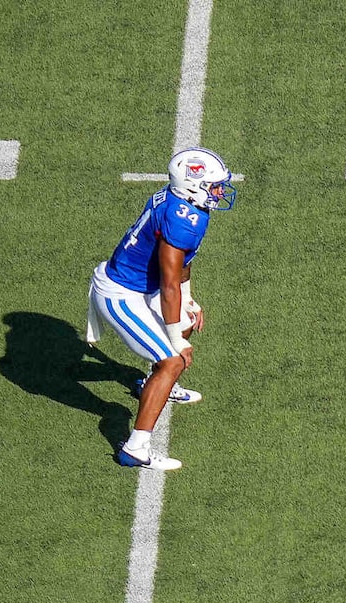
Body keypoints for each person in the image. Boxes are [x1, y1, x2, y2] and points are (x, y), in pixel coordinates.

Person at [87, 147, 235, 471]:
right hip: (121, 293)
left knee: (183, 318)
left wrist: (189, 299)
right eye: (214, 185)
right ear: (193, 186)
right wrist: (176, 340)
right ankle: (135, 449)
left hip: (144, 287)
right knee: (172, 360)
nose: (220, 191)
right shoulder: (181, 218)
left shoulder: (184, 205)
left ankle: (157, 385)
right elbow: (169, 283)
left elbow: (182, 265)